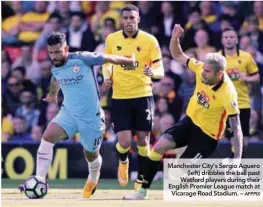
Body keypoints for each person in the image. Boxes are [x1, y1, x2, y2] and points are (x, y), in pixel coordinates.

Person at [124, 24, 243, 200]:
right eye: (203, 69)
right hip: (189, 122)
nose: (202, 74)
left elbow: (237, 127)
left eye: (208, 72)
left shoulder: (228, 93)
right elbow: (177, 54)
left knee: (179, 172)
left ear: (219, 74)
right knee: (159, 147)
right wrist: (175, 38)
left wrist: (238, 159)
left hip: (207, 137)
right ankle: (142, 192)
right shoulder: (200, 68)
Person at [20, 32, 136, 199]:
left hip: (91, 118)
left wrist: (128, 60)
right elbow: (55, 78)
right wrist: (53, 94)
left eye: (57, 52)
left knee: (90, 154)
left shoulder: (82, 58)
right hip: (68, 113)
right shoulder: (55, 67)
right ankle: (40, 178)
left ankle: (93, 177)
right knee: (47, 137)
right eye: (51, 52)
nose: (54, 56)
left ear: (66, 48)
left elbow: (106, 57)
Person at [102, 5, 164, 190]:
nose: (129, 21)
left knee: (144, 141)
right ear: (121, 20)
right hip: (120, 97)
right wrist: (107, 77)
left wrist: (152, 72)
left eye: (132, 17)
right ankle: (123, 160)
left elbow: (160, 70)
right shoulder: (112, 39)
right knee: (125, 142)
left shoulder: (149, 40)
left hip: (143, 94)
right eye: (126, 18)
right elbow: (107, 63)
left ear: (138, 19)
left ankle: (142, 178)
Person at [219, 28, 259, 158]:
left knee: (244, 142)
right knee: (235, 139)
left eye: (231, 37)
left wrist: (247, 78)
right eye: (226, 37)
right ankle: (233, 169)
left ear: (236, 40)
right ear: (222, 40)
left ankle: (230, 163)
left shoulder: (246, 57)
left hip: (243, 103)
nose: (229, 40)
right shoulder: (217, 59)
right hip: (225, 105)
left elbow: (257, 77)